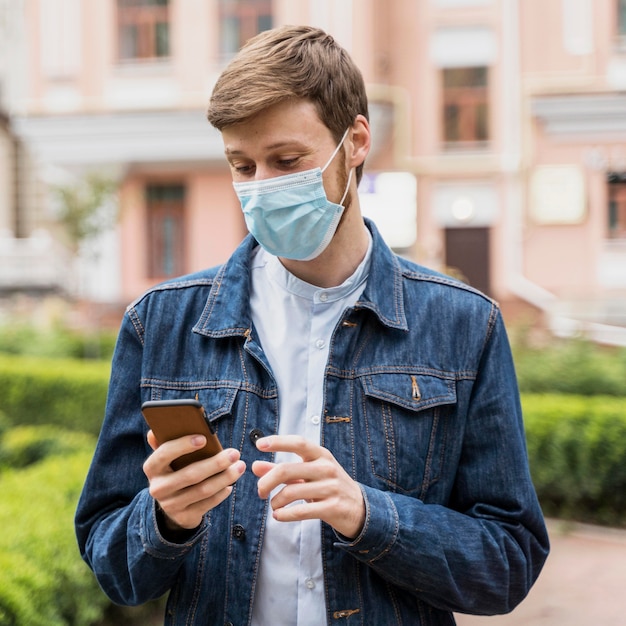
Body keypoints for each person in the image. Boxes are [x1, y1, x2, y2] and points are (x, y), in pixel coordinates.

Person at [75, 24, 549, 626]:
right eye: (241, 166)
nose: (261, 188)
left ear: (355, 141)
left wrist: (367, 515)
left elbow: (507, 565)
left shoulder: (464, 324)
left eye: (287, 161)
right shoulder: (162, 323)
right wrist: (165, 520)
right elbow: (112, 565)